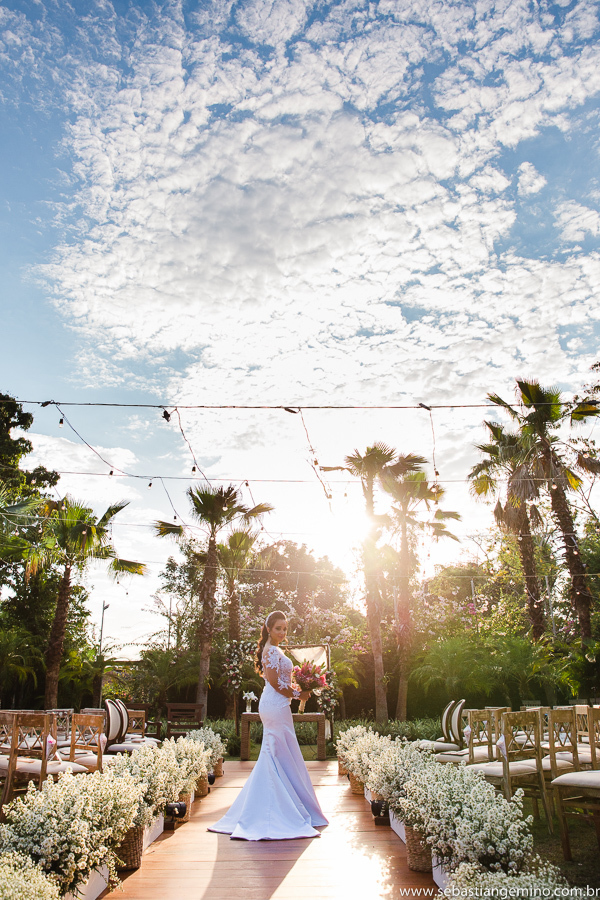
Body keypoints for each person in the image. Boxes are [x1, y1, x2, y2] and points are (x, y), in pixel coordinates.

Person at [208, 610, 329, 840]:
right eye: (278, 628)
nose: (282, 632)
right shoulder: (270, 651)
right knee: (276, 752)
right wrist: (298, 694)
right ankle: (274, 810)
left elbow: (283, 680)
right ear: (269, 629)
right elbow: (274, 684)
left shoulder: (277, 650)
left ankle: (280, 803)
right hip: (274, 705)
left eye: (285, 629)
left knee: (278, 753)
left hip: (279, 705)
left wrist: (300, 688)